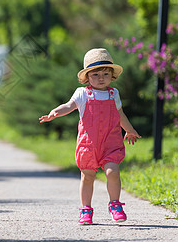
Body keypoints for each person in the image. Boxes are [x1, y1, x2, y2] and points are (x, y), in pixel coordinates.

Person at [39, 48, 141, 225]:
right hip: (89, 144)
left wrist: (129, 130)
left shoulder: (113, 94)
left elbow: (120, 115)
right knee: (87, 176)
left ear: (112, 75)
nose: (101, 78)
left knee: (113, 172)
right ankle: (86, 209)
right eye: (95, 74)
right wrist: (55, 112)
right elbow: (69, 105)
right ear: (87, 77)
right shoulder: (82, 93)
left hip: (111, 142)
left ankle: (115, 204)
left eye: (105, 73)